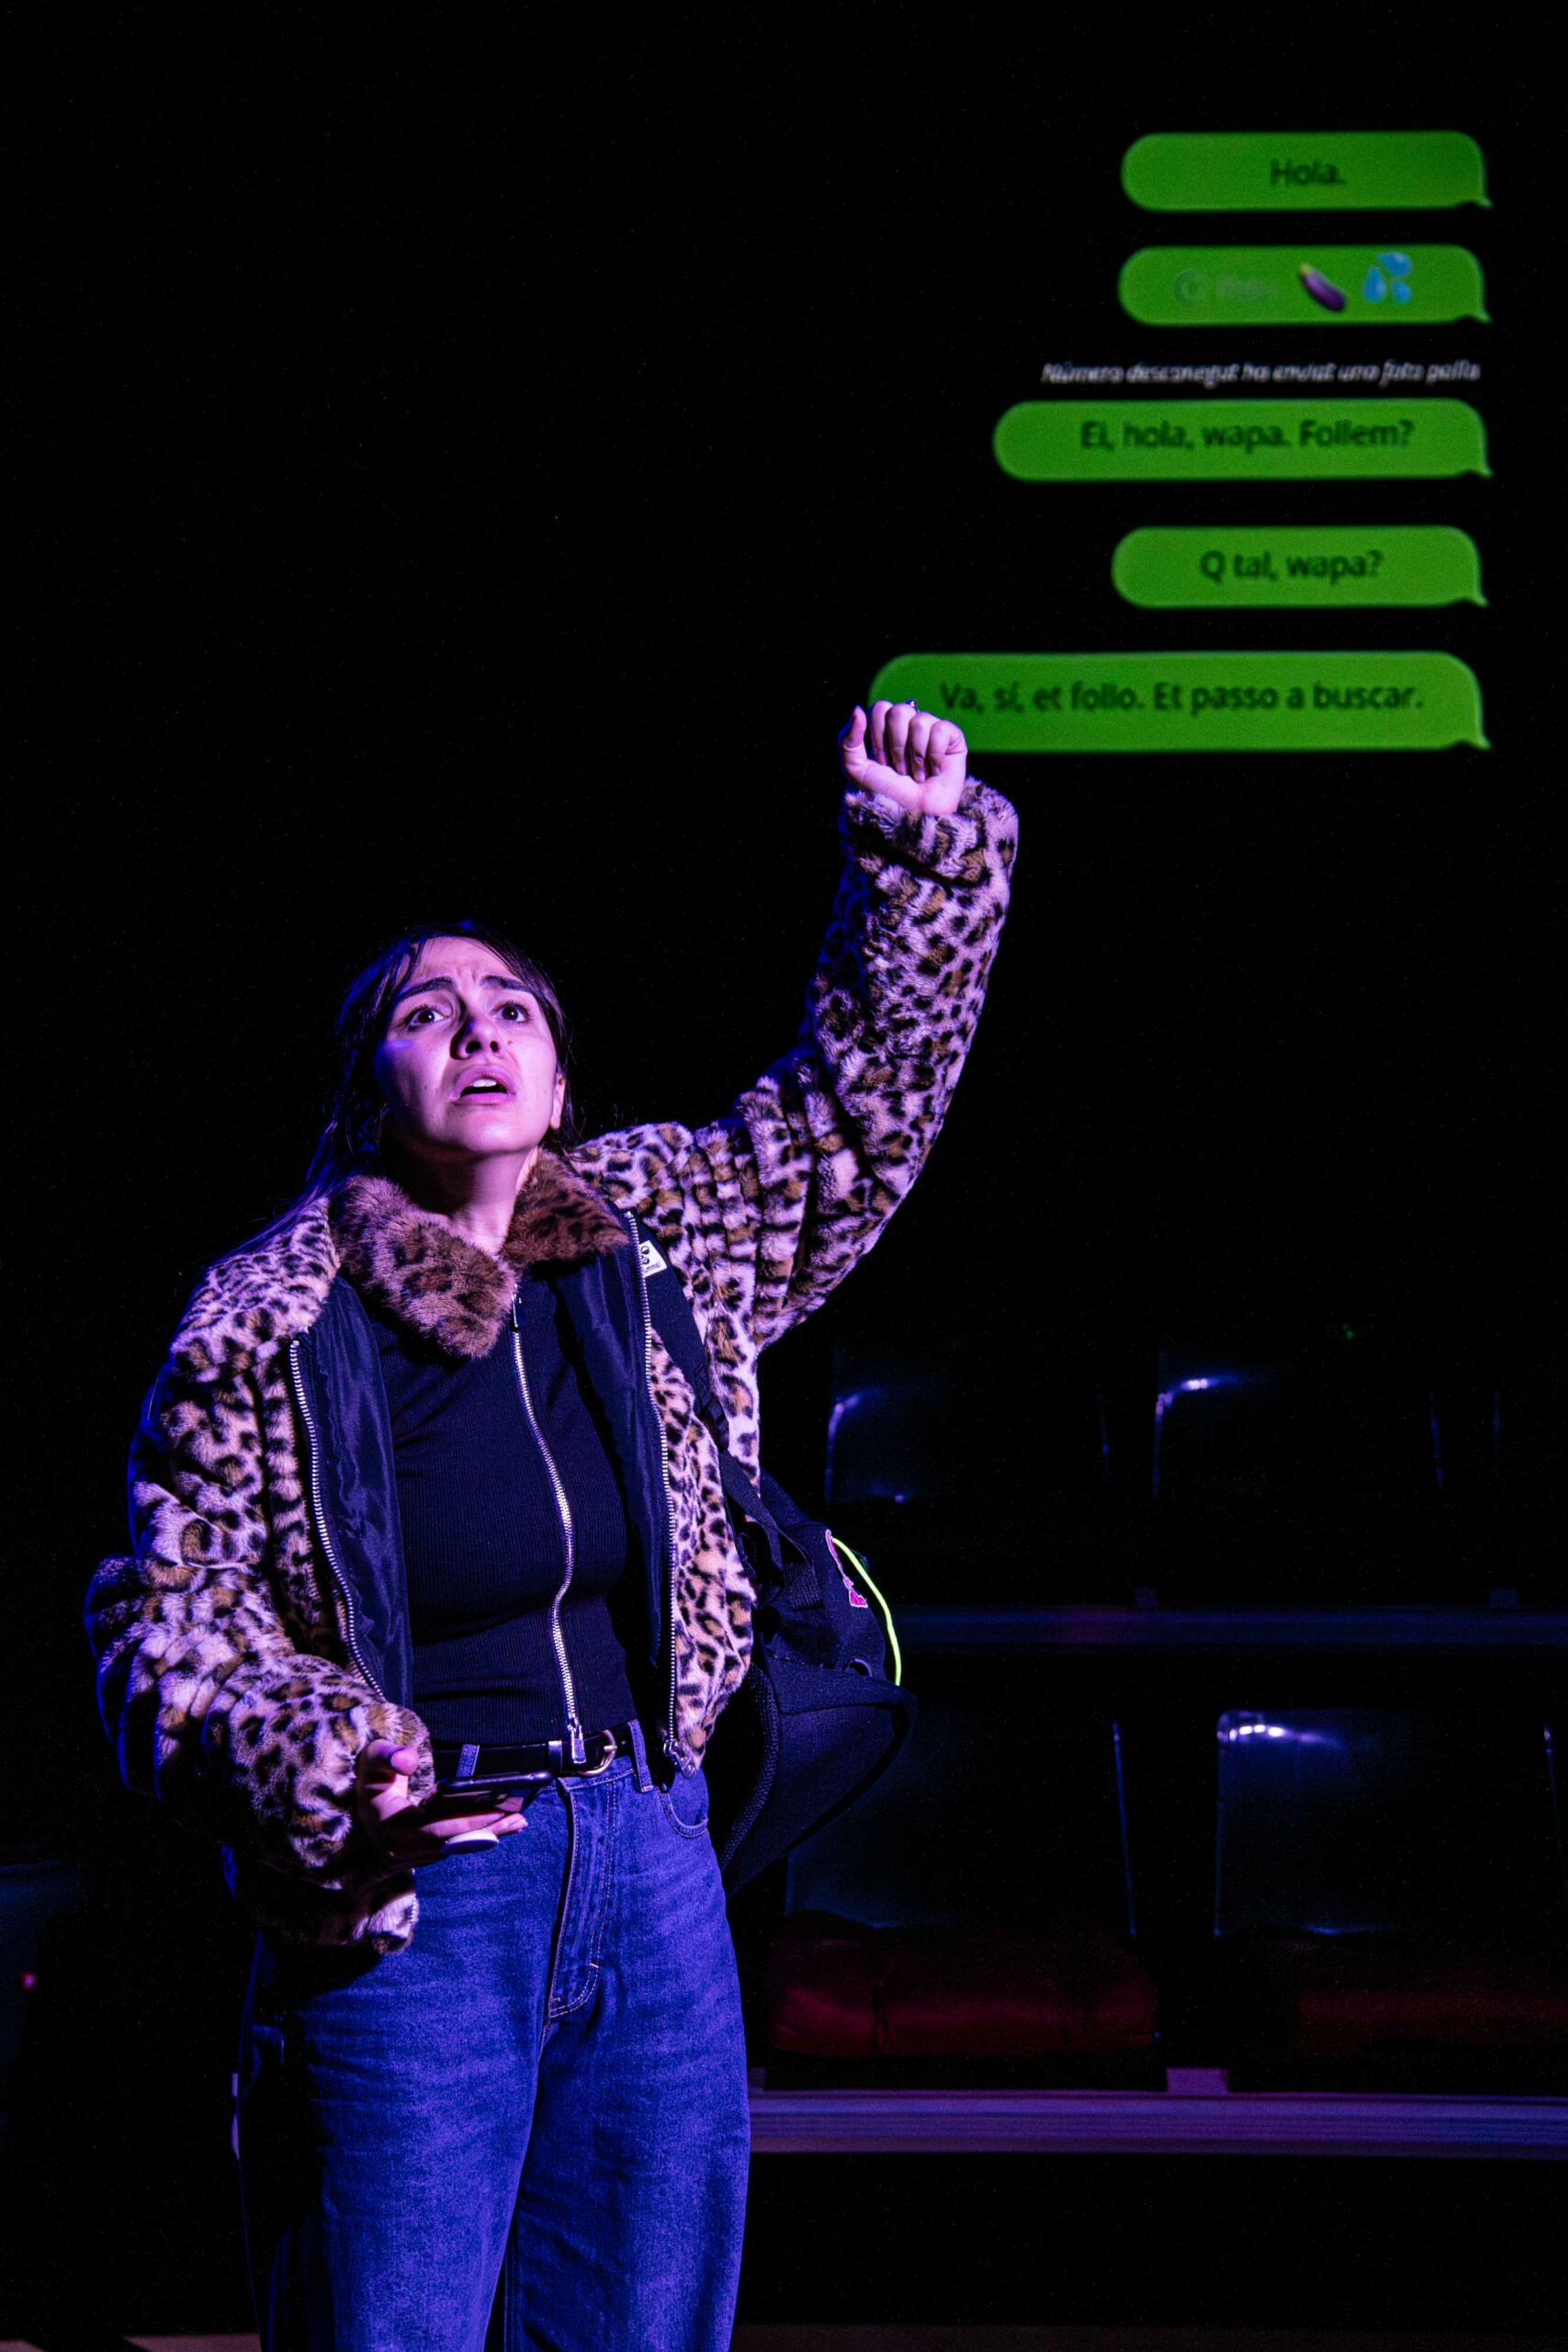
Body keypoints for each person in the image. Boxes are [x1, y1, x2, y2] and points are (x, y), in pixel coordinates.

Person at [85, 698, 1017, 2351]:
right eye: (426, 1013)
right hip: (418, 1898)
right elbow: (168, 1622)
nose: (477, 1030)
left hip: (650, 1860)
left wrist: (917, 856)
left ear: (560, 1077)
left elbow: (856, 1108)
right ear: (368, 1087)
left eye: (510, 1007)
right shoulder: (271, 1317)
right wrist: (320, 1756)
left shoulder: (659, 1239)